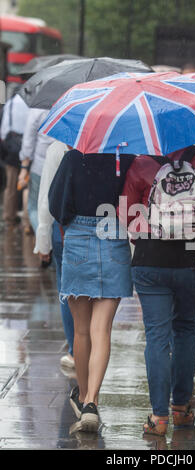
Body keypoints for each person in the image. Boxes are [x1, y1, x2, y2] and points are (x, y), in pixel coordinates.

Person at [120, 144, 195, 436]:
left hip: (150, 262)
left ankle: (158, 418)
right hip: (194, 261)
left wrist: (144, 237)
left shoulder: (142, 163)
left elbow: (124, 211)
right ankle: (181, 410)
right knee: (185, 330)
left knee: (157, 337)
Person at [48, 149, 135, 432]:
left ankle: (84, 397)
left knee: (81, 330)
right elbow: (136, 202)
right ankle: (92, 403)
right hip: (114, 239)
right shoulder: (128, 158)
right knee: (102, 330)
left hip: (79, 241)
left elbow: (56, 205)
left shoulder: (73, 158)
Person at [34, 140, 75, 369]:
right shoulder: (109, 144)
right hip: (102, 228)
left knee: (66, 288)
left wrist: (43, 240)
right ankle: (93, 347)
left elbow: (46, 198)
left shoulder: (58, 148)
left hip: (64, 229)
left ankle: (75, 351)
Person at [18, 108, 55, 233]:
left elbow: (28, 142)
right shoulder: (65, 106)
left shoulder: (36, 111)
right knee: (54, 206)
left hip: (39, 166)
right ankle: (52, 238)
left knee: (34, 205)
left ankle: (42, 240)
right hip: (60, 164)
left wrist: (24, 168)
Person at [0, 93, 29, 228]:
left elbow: (4, 128)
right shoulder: (32, 104)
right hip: (26, 148)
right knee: (27, 185)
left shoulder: (10, 103)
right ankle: (26, 219)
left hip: (11, 147)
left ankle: (8, 217)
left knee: (10, 185)